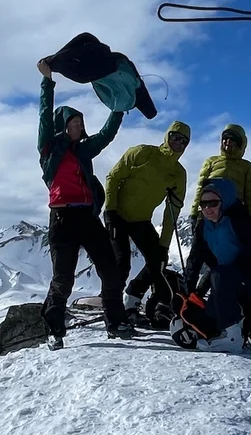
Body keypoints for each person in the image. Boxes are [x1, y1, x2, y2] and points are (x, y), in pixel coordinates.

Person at [37, 58, 126, 346]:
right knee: (63, 279)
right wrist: (48, 81)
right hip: (62, 219)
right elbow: (43, 115)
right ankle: (54, 329)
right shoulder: (49, 149)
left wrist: (119, 108)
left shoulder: (84, 150)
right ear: (63, 125)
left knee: (110, 269)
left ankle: (116, 322)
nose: (78, 125)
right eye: (74, 122)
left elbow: (106, 135)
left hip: (87, 218)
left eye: (80, 122)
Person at [101, 120, 192, 333]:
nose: (177, 142)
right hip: (118, 215)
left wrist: (164, 244)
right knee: (121, 262)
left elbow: (172, 211)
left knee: (159, 260)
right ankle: (112, 312)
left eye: (183, 140)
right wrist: (110, 211)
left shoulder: (178, 174)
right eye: (174, 137)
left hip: (141, 220)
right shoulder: (142, 153)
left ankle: (131, 301)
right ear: (167, 136)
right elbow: (113, 177)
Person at [183, 176, 251, 349]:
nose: (207, 208)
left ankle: (232, 336)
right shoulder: (203, 227)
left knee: (220, 276)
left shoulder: (240, 221)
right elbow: (195, 260)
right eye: (203, 204)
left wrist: (222, 275)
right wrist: (187, 292)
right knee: (210, 318)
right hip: (229, 281)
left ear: (224, 201)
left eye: (213, 203)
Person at [189, 124, 251, 225]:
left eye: (233, 140)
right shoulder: (211, 162)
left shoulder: (247, 167)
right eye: (225, 138)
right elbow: (200, 188)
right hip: (208, 212)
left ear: (240, 143)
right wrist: (194, 213)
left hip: (233, 216)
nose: (228, 142)